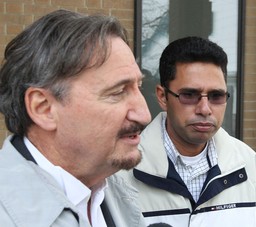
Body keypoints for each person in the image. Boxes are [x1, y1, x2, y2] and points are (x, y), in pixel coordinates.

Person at [0, 9, 151, 226]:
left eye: (139, 87)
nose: (144, 115)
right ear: (44, 108)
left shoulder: (122, 197)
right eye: (118, 92)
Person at [117, 36, 256, 227]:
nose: (205, 109)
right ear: (162, 97)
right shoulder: (119, 174)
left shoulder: (249, 164)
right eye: (189, 95)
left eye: (216, 96)